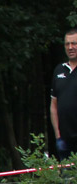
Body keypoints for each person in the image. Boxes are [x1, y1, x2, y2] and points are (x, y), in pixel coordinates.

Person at [50, 28, 77, 160]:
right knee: (69, 180)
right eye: (67, 44)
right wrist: (58, 136)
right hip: (65, 141)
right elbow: (53, 105)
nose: (70, 47)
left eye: (74, 43)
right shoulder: (59, 70)